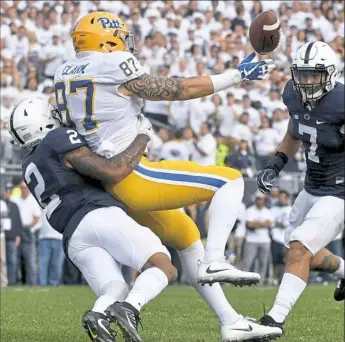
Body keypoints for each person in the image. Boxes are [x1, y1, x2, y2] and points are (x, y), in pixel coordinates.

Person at [54, 12, 281, 341]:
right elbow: (175, 89)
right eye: (121, 37)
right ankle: (216, 260)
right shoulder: (112, 63)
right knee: (230, 181)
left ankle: (231, 322)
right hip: (134, 175)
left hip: (108, 180)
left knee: (188, 238)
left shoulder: (64, 72)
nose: (127, 43)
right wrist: (237, 75)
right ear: (106, 40)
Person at [9, 98, 177, 342]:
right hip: (96, 214)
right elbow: (113, 170)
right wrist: (143, 136)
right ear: (41, 123)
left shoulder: (29, 163)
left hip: (73, 237)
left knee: (116, 290)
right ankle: (131, 308)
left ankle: (98, 314)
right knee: (164, 265)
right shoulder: (57, 139)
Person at [257, 41, 345, 334]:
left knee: (299, 249)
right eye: (303, 74)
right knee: (299, 253)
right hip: (311, 187)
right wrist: (275, 163)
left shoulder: (342, 101)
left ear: (331, 74)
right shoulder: (292, 94)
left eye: (314, 75)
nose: (307, 82)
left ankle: (274, 321)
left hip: (339, 192)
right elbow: (295, 131)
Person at [2, 183, 23, 286]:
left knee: (12, 261)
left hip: (11, 237)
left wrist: (18, 236)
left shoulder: (14, 206)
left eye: (9, 191)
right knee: (2, 261)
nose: (7, 193)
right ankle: (3, 282)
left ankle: (11, 283)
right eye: (6, 191)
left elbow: (18, 221)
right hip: (1, 236)